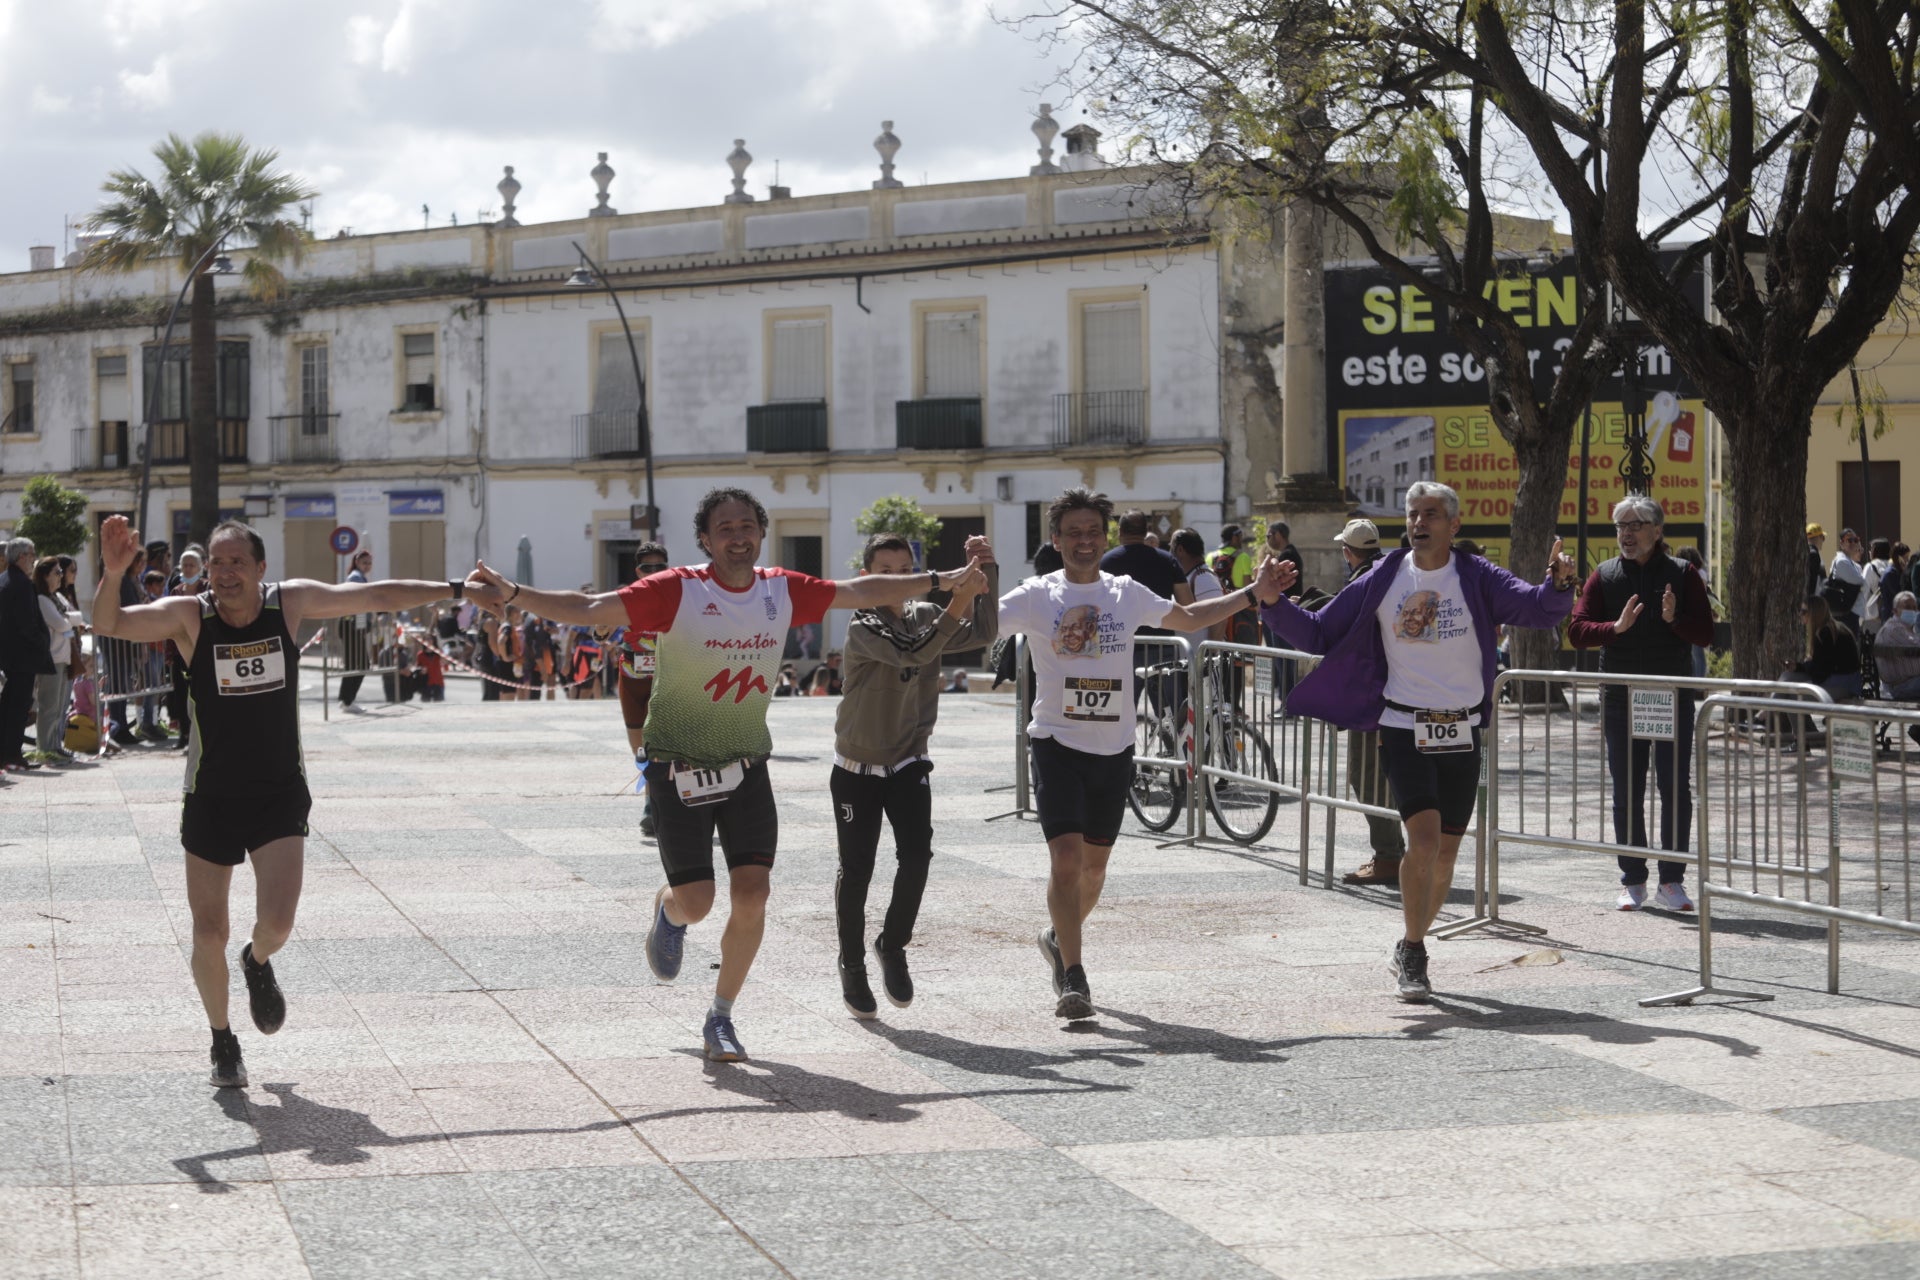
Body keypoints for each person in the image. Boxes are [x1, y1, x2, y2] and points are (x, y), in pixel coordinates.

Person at [462, 487, 987, 1063]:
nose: (738, 535)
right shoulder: (676, 590)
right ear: (706, 540)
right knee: (699, 901)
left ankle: (721, 1016)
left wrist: (944, 579)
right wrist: (513, 593)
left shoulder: (779, 589)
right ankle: (669, 910)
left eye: (747, 525)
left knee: (754, 893)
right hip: (677, 764)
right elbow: (589, 610)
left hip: (745, 764)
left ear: (759, 534)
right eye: (725, 527)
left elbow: (861, 590)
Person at [89, 515, 472, 1089]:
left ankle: (258, 960)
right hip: (211, 795)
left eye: (236, 562)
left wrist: (458, 590)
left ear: (261, 568)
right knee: (207, 929)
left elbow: (374, 593)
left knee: (278, 921)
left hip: (277, 793)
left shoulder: (287, 605)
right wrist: (114, 573)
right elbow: (110, 623)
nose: (222, 574)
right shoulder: (191, 616)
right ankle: (222, 1039)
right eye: (216, 563)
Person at [1261, 482, 1577, 1002]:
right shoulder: (1384, 575)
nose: (1418, 522)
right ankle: (1413, 949)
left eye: (1430, 514)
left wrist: (1559, 585)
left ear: (1453, 525)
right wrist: (1272, 604)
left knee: (1447, 854)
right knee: (1424, 841)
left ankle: (1413, 940)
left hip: (1461, 728)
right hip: (1403, 725)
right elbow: (1319, 632)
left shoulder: (1475, 576)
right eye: (1412, 514)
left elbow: (1537, 610)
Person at [999, 488, 1286, 1021]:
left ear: (1102, 538)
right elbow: (975, 629)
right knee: (1065, 860)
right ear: (1057, 540)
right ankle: (1074, 977)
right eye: (1073, 533)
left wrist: (1252, 593)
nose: (1084, 542)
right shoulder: (1037, 595)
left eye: (1092, 533)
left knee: (1094, 870)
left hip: (1114, 749)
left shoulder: (1125, 592)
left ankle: (1059, 939)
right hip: (1056, 742)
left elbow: (1189, 617)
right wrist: (957, 589)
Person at [831, 532, 999, 1018]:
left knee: (918, 856)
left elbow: (985, 631)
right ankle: (851, 963)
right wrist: (957, 602)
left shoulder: (928, 614)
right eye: (887, 570)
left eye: (907, 570)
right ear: (867, 578)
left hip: (908, 759)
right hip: (857, 768)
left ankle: (893, 943)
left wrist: (984, 572)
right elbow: (912, 652)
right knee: (857, 870)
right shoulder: (862, 623)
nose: (899, 580)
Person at [1566, 497, 1714, 913]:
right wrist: (1615, 628)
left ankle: (1673, 880)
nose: (1626, 533)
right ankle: (1633, 879)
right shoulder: (1605, 575)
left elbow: (1705, 633)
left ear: (1657, 531)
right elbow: (1576, 630)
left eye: (1636, 524)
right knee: (1627, 789)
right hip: (1621, 697)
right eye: (1619, 526)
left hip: (1670, 697)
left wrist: (1673, 620)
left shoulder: (1683, 575)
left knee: (1673, 788)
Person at [1325, 519, 1409, 887]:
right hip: (1401, 688)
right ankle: (1399, 853)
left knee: (1367, 775)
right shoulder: (1391, 572)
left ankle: (1390, 856)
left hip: (1373, 695)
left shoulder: (1362, 580)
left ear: (1347, 551)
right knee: (1389, 774)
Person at [613, 543, 672, 829]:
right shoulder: (624, 598)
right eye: (647, 568)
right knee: (639, 747)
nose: (653, 572)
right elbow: (600, 632)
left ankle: (655, 802)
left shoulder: (677, 598)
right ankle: (650, 793)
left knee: (662, 743)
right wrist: (600, 629)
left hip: (665, 678)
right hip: (632, 677)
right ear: (637, 571)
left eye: (659, 567)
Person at [1, 537, 53, 771]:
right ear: (21, 556)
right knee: (17, 707)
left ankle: (10, 752)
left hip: (13, 655)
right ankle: (11, 754)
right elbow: (26, 623)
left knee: (13, 705)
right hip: (22, 656)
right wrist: (41, 641)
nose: (34, 560)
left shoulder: (7, 579)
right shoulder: (20, 583)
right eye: (32, 555)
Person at [34, 557, 82, 763]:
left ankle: (55, 745)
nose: (61, 576)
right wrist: (69, 621)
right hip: (51, 658)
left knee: (60, 706)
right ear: (45, 576)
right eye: (57, 573)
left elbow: (75, 617)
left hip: (64, 657)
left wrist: (69, 621)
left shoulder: (58, 598)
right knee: (49, 706)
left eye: (61, 572)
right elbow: (61, 624)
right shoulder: (42, 600)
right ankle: (45, 748)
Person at [1788, 595, 1862, 699]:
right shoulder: (1829, 628)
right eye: (1800, 610)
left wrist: (1806, 665)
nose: (1800, 614)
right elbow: (1821, 667)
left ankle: (1766, 712)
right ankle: (1766, 712)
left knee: (1794, 697)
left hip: (1844, 684)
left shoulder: (1825, 633)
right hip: (1837, 679)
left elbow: (1819, 675)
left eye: (1804, 612)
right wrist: (1800, 666)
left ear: (1814, 614)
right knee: (1787, 677)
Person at [1672, 546, 1716, 677]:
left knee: (1697, 653)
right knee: (1693, 652)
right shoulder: (1697, 572)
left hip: (1694, 615)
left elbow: (1698, 593)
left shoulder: (1696, 573)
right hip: (1691, 615)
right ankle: (1695, 680)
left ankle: (1699, 682)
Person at [337, 549, 373, 709]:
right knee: (361, 664)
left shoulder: (357, 577)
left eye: (369, 563)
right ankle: (347, 701)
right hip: (352, 625)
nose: (367, 566)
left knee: (354, 664)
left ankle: (345, 699)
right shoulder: (357, 578)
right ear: (357, 562)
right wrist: (363, 625)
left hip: (351, 625)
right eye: (365, 562)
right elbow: (359, 604)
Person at [1871, 592, 1920, 700]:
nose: (1912, 611)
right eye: (1907, 607)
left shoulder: (1904, 629)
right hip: (1902, 686)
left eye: (1914, 608)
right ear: (1895, 610)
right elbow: (1916, 647)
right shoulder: (1894, 629)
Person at [1826, 528, 1867, 636]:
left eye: (1856, 540)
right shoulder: (1842, 561)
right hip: (1847, 614)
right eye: (1849, 540)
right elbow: (1861, 581)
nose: (1853, 543)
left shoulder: (1850, 562)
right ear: (1842, 543)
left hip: (1851, 612)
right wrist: (1862, 582)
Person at [1861, 538, 1896, 638]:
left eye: (1871, 549)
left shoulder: (1870, 566)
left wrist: (1860, 617)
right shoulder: (1893, 566)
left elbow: (1864, 591)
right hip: (1891, 615)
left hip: (1873, 616)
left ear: (1875, 551)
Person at [1806, 523, 1828, 599]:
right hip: (1812, 602)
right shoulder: (1814, 554)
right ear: (1819, 537)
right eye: (1823, 538)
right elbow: (1812, 580)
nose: (1823, 541)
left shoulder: (1803, 552)